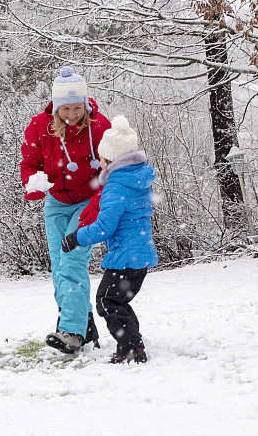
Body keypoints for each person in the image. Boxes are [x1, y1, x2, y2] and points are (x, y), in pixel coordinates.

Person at [20, 67, 111, 354]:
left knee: (71, 260)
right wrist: (34, 185)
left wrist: (99, 203)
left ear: (85, 104)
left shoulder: (99, 126)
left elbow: (112, 168)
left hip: (89, 199)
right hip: (57, 202)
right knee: (60, 265)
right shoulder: (39, 126)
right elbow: (29, 165)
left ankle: (71, 332)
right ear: (55, 107)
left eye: (77, 108)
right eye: (65, 109)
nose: (71, 115)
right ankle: (83, 323)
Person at [60, 115, 158, 363]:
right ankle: (131, 346)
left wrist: (76, 238)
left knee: (107, 302)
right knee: (116, 302)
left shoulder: (116, 186)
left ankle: (132, 347)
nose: (98, 161)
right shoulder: (136, 180)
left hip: (125, 255)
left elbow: (104, 227)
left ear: (112, 160)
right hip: (138, 252)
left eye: (101, 157)